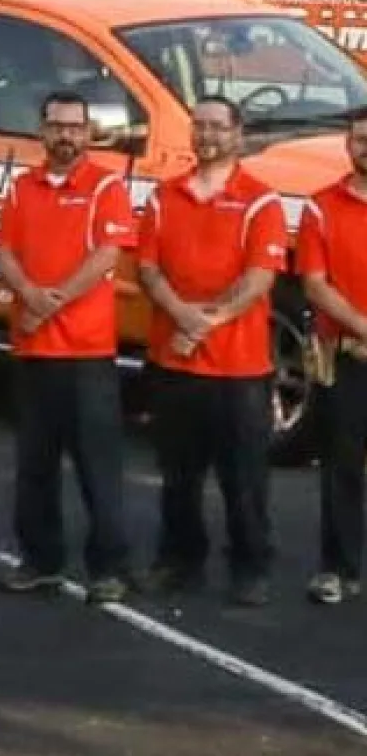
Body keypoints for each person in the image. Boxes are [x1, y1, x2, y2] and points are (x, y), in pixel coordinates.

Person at [137, 96, 287, 606]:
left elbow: (258, 280)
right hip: (174, 364)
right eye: (198, 126)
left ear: (238, 135)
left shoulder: (262, 202)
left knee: (243, 480)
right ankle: (179, 561)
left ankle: (251, 567)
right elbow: (148, 270)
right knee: (178, 477)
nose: (206, 136)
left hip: (239, 370)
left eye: (217, 127)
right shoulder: (164, 196)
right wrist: (182, 316)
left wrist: (202, 324)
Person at [0, 92, 135, 604]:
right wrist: (28, 293)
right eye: (56, 126)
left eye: (75, 127)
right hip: (33, 351)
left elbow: (108, 254)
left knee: (99, 467)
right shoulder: (21, 187)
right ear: (41, 131)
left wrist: (50, 302)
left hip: (86, 354)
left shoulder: (106, 186)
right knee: (34, 466)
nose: (66, 136)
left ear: (88, 132)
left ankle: (108, 569)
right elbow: (4, 252)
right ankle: (40, 561)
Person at [300, 108, 367, 606]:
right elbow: (314, 285)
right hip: (344, 357)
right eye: (360, 140)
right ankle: (336, 568)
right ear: (348, 145)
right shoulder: (320, 207)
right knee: (341, 465)